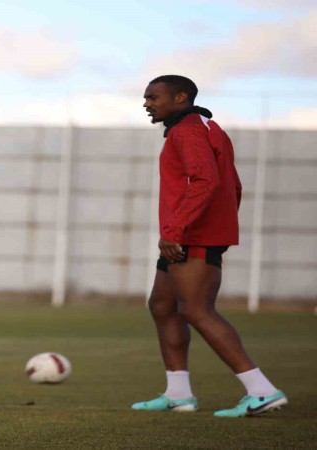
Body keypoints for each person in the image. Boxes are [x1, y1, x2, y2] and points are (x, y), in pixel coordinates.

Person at [132, 75, 287, 417]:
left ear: (180, 97)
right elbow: (234, 186)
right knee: (163, 305)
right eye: (146, 98)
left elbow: (205, 180)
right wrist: (218, 226)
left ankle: (262, 390)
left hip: (191, 234)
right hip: (191, 232)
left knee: (197, 310)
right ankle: (178, 394)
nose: (147, 103)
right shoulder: (202, 127)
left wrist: (178, 229)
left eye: (153, 97)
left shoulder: (188, 130)